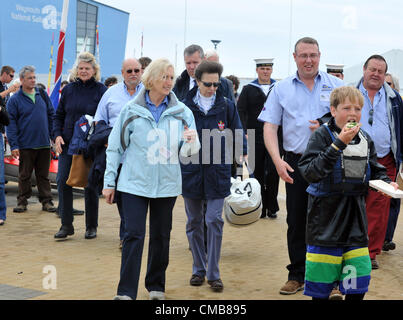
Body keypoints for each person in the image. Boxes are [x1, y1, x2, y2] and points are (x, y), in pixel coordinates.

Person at [102, 58, 199, 300]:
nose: (169, 82)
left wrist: (192, 142)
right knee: (133, 235)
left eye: (171, 77)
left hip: (166, 186)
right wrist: (109, 182)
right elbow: (115, 147)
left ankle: (156, 287)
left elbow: (189, 153)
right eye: (164, 77)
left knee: (160, 237)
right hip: (133, 183)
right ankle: (125, 292)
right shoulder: (131, 110)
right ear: (151, 79)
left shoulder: (183, 113)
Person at [258, 37, 344, 295]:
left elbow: (351, 118)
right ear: (294, 57)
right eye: (303, 55)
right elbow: (270, 127)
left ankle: (333, 278)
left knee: (331, 219)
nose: (309, 60)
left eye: (313, 55)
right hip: (296, 162)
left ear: (320, 56)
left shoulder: (337, 86)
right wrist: (277, 160)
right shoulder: (281, 89)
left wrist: (331, 127)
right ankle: (297, 274)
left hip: (331, 160)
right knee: (296, 220)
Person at [298, 85, 399, 300]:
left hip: (356, 222)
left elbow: (376, 169)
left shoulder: (365, 139)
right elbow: (310, 172)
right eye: (346, 108)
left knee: (357, 286)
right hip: (325, 222)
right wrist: (338, 144)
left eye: (357, 108)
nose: (353, 113)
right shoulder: (321, 136)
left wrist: (387, 184)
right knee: (322, 289)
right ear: (333, 110)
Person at [181, 60, 247, 293]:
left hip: (217, 172)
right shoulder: (183, 106)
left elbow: (238, 133)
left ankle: (213, 273)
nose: (212, 88)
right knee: (194, 222)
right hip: (191, 172)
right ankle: (198, 268)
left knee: (213, 220)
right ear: (197, 81)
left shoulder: (227, 106)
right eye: (207, 84)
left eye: (216, 84)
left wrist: (240, 167)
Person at [53, 52, 107, 240]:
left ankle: (91, 226)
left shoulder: (101, 90)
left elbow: (104, 118)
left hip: (91, 145)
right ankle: (66, 225)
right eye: (81, 68)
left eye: (87, 68)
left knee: (90, 184)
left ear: (94, 70)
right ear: (77, 70)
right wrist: (57, 136)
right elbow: (58, 115)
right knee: (62, 181)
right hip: (68, 144)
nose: (83, 71)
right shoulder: (68, 90)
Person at [356, 55, 403, 269]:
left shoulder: (394, 98)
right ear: (364, 69)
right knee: (353, 204)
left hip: (385, 159)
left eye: (380, 71)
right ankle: (352, 249)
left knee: (379, 207)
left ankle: (371, 252)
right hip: (354, 156)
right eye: (372, 69)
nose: (376, 74)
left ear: (385, 75)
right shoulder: (350, 93)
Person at [94, 58, 144, 248]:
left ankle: (130, 234)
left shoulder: (149, 93)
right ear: (122, 73)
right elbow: (99, 120)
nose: (133, 74)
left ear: (142, 72)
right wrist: (106, 139)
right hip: (119, 157)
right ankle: (127, 235)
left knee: (136, 198)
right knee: (123, 199)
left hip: (142, 158)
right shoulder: (110, 94)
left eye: (137, 70)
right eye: (129, 70)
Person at [6, 66, 56, 213]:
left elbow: (51, 115)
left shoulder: (42, 94)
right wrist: (14, 145)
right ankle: (22, 202)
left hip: (43, 144)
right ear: (21, 80)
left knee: (43, 175)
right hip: (25, 144)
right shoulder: (14, 100)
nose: (33, 80)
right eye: (30, 78)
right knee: (24, 175)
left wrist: (53, 136)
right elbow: (11, 124)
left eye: (34, 77)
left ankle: (47, 201)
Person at [238, 58, 281, 218]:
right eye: (262, 68)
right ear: (257, 70)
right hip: (253, 135)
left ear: (271, 70)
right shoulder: (248, 89)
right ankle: (258, 205)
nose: (265, 71)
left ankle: (272, 206)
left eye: (268, 69)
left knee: (274, 171)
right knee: (255, 171)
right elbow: (240, 111)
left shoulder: (278, 87)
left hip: (274, 136)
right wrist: (243, 131)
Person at [383, 72, 401, 252]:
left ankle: (387, 237)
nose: (385, 85)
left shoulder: (398, 103)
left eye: (389, 83)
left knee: (393, 199)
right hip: (378, 156)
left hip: (394, 158)